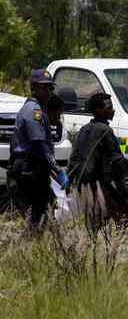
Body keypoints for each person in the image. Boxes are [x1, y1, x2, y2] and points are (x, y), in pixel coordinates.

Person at [67, 92, 128, 228]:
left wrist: (69, 181)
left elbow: (73, 158)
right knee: (127, 218)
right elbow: (118, 158)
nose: (112, 110)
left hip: (83, 184)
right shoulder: (105, 130)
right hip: (99, 185)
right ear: (98, 110)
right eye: (109, 107)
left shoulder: (83, 129)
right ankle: (117, 247)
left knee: (96, 221)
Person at [8, 69, 69, 229]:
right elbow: (39, 145)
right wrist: (58, 169)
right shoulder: (33, 111)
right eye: (44, 87)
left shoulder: (38, 109)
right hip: (29, 169)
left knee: (42, 218)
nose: (48, 91)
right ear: (33, 88)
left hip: (34, 167)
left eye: (50, 88)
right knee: (37, 220)